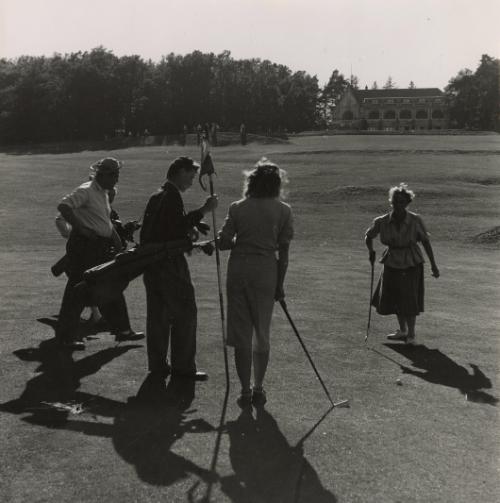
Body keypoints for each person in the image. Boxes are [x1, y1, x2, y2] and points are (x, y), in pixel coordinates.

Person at [218, 158, 293, 407]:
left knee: (241, 334)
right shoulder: (284, 210)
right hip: (266, 271)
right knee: (262, 331)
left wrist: (228, 238)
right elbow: (284, 253)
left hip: (239, 269)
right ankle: (258, 387)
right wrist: (280, 285)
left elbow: (224, 242)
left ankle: (245, 391)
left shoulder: (237, 207)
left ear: (251, 182)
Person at [140, 156, 218, 381]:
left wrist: (191, 224)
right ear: (180, 172)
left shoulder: (159, 194)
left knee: (158, 316)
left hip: (152, 264)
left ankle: (157, 365)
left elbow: (167, 227)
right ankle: (183, 367)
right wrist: (204, 210)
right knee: (184, 313)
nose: (192, 182)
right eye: (191, 176)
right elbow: (175, 228)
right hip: (169, 263)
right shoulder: (171, 196)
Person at [55, 157, 144, 350]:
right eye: (114, 175)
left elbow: (105, 222)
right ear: (103, 174)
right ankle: (66, 337)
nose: (117, 179)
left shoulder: (103, 193)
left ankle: (122, 329)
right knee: (76, 289)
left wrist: (118, 242)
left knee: (111, 283)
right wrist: (81, 228)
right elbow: (64, 206)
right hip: (85, 246)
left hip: (99, 247)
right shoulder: (86, 190)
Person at [365, 183, 440, 345]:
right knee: (396, 297)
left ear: (407, 203)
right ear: (391, 202)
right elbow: (368, 236)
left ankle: (411, 334)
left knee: (409, 298)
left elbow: (426, 243)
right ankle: (403, 331)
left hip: (411, 262)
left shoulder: (415, 220)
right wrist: (371, 251)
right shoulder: (382, 221)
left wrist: (433, 265)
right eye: (396, 201)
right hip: (391, 261)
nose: (399, 204)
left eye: (402, 202)